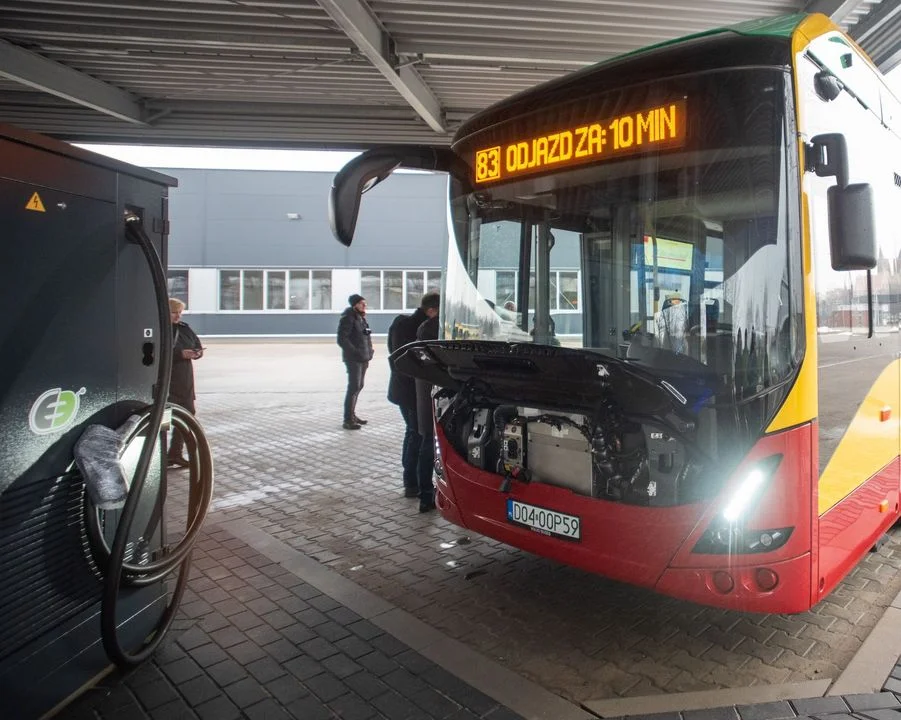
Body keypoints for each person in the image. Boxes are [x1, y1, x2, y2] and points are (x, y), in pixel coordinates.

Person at [387, 292, 440, 498]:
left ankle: (413, 482)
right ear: (431, 311)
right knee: (416, 435)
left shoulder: (407, 325)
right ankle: (412, 483)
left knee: (414, 434)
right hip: (410, 392)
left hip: (409, 391)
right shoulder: (414, 327)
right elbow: (403, 362)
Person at [167, 298, 203, 467]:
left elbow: (197, 343)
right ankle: (159, 456)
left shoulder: (184, 328)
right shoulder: (161, 330)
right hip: (169, 381)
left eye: (180, 312)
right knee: (166, 419)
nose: (178, 316)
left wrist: (197, 353)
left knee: (188, 415)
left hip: (185, 380)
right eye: (174, 312)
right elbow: (160, 352)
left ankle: (175, 453)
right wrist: (181, 354)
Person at [414, 306, 440, 512]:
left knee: (428, 445)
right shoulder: (435, 329)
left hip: (428, 399)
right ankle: (426, 493)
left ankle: (426, 493)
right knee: (429, 446)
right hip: (436, 399)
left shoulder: (425, 331)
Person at [337, 293, 374, 430]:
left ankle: (352, 415)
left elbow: (366, 336)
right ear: (355, 305)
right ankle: (348, 419)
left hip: (364, 358)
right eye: (361, 303)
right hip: (354, 359)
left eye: (365, 303)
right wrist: (355, 352)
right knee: (353, 387)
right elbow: (342, 339)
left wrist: (370, 352)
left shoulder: (361, 317)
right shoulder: (348, 318)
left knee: (359, 386)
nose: (365, 305)